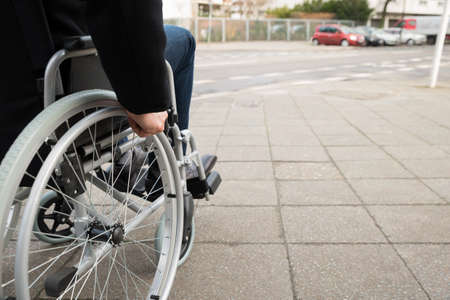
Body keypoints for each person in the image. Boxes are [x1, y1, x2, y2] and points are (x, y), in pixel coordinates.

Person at [1, 0, 216, 194]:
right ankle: (164, 174)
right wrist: (146, 101)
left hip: (16, 106)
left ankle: (125, 159)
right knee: (184, 40)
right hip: (70, 79)